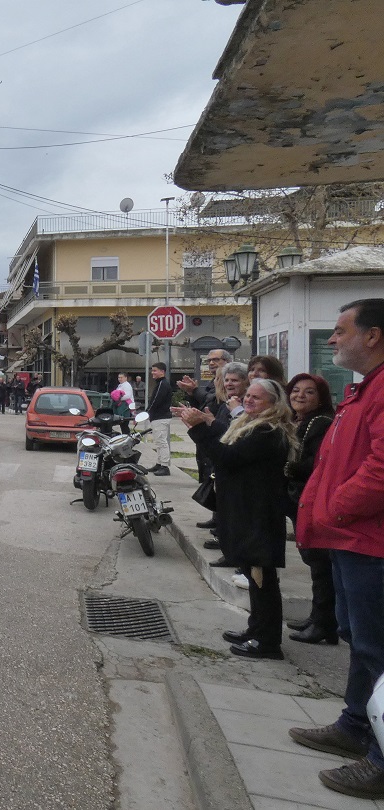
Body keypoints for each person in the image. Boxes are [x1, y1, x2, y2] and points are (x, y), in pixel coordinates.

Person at [289, 299, 384, 800]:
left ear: (372, 335)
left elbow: (380, 470)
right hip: (351, 539)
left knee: (378, 647)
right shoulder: (365, 389)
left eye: (341, 330)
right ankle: (355, 725)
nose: (331, 340)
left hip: (370, 541)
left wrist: (334, 509)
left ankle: (380, 759)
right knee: (359, 639)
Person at [177, 378, 295, 659]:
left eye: (257, 397)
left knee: (262, 576)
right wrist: (209, 423)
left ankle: (267, 642)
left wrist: (197, 429)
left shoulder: (267, 430)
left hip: (258, 513)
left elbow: (227, 456)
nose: (249, 401)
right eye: (248, 396)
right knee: (254, 575)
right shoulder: (254, 425)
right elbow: (232, 443)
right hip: (248, 509)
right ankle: (256, 628)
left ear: (273, 403)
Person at [282, 373, 336, 645]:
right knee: (314, 562)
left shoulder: (319, 423)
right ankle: (318, 617)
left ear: (321, 398)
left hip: (311, 499)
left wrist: (285, 468)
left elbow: (314, 464)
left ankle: (324, 623)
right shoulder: (301, 421)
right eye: (295, 390)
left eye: (309, 392)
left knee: (319, 562)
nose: (300, 395)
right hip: (300, 498)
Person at [178, 349, 232, 528]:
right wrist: (192, 397)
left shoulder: (228, 384)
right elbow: (205, 404)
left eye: (216, 360)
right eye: (209, 361)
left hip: (220, 438)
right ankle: (217, 519)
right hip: (210, 438)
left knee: (218, 479)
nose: (211, 363)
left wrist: (195, 391)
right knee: (211, 475)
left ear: (227, 361)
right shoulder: (211, 382)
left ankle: (221, 524)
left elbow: (214, 401)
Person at [145, 363, 174, 475]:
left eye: (155, 370)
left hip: (160, 417)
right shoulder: (161, 383)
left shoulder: (162, 384)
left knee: (161, 442)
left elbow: (156, 400)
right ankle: (159, 463)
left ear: (162, 372)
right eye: (152, 370)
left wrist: (147, 412)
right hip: (158, 417)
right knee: (158, 442)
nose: (152, 373)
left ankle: (165, 466)